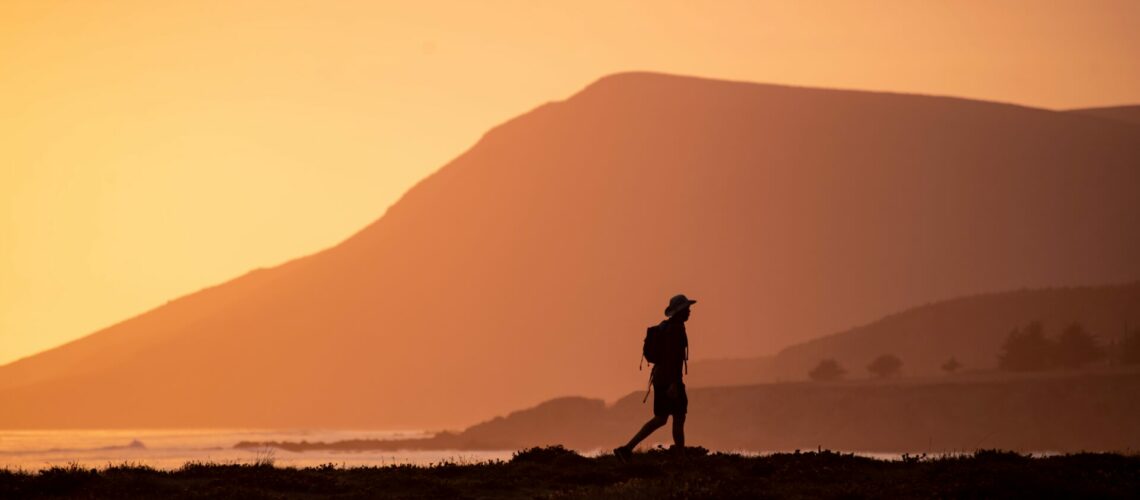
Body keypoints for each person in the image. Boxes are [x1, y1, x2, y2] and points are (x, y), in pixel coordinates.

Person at [613, 294, 695, 461]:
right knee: (678, 416)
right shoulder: (676, 330)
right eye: (687, 309)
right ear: (680, 311)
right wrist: (674, 383)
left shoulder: (666, 327)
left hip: (659, 378)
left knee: (661, 418)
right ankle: (681, 457)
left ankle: (627, 449)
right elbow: (674, 358)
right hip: (670, 380)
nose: (689, 312)